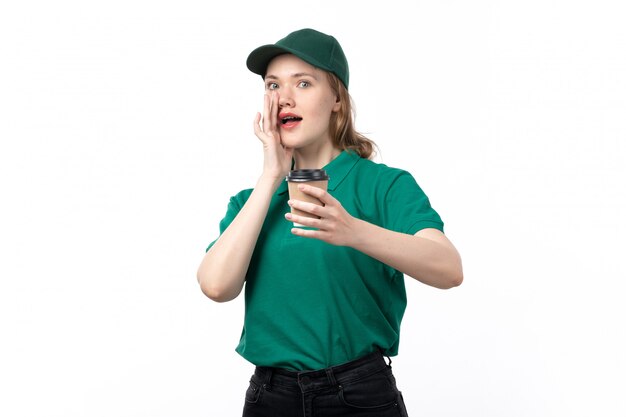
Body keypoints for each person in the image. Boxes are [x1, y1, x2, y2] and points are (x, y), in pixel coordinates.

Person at [197, 28, 463, 417]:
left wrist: (353, 232)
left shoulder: (384, 186)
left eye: (303, 83)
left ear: (337, 98)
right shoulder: (251, 201)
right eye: (273, 85)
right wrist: (272, 176)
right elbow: (217, 286)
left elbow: (448, 268)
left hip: (360, 395)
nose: (284, 97)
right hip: (270, 398)